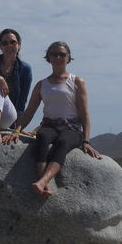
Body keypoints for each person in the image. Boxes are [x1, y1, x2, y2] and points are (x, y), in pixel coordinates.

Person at [10, 41, 103, 197]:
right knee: (42, 137)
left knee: (62, 142)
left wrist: (86, 141)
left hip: (71, 128)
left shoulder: (77, 81)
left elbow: (84, 113)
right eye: (54, 54)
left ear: (68, 58)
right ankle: (44, 183)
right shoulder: (41, 85)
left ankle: (42, 182)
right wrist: (16, 130)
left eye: (62, 54)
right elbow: (29, 112)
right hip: (49, 125)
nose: (58, 57)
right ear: (48, 58)